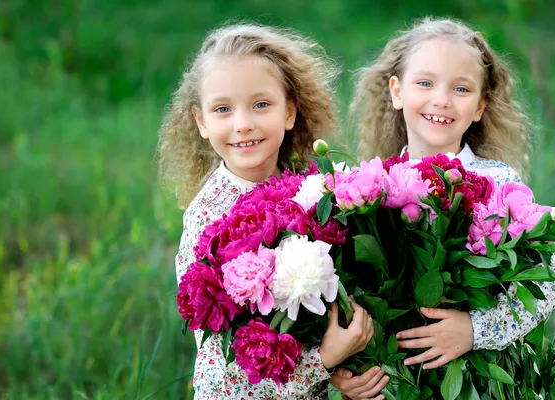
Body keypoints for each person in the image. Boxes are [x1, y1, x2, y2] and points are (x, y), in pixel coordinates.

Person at [160, 23, 387, 399]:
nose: (243, 124)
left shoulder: (313, 190)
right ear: (201, 122)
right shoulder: (208, 220)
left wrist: (340, 369)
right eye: (222, 109)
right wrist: (324, 361)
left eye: (261, 104)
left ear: (289, 112)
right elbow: (224, 367)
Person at [350, 17, 555, 370]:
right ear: (397, 91)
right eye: (425, 83)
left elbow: (549, 278)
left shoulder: (499, 183)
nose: (442, 100)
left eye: (461, 89)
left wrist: (474, 329)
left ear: (480, 106)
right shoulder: (371, 186)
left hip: (476, 374)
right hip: (394, 376)